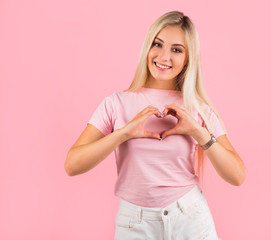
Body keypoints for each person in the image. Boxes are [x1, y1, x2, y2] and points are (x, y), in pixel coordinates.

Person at [65, 10, 246, 240]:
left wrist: (198, 133)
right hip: (135, 224)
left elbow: (237, 175)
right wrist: (123, 134)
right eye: (157, 44)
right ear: (147, 48)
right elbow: (72, 165)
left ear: (188, 59)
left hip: (190, 219)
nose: (164, 56)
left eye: (177, 50)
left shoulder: (198, 108)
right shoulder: (115, 104)